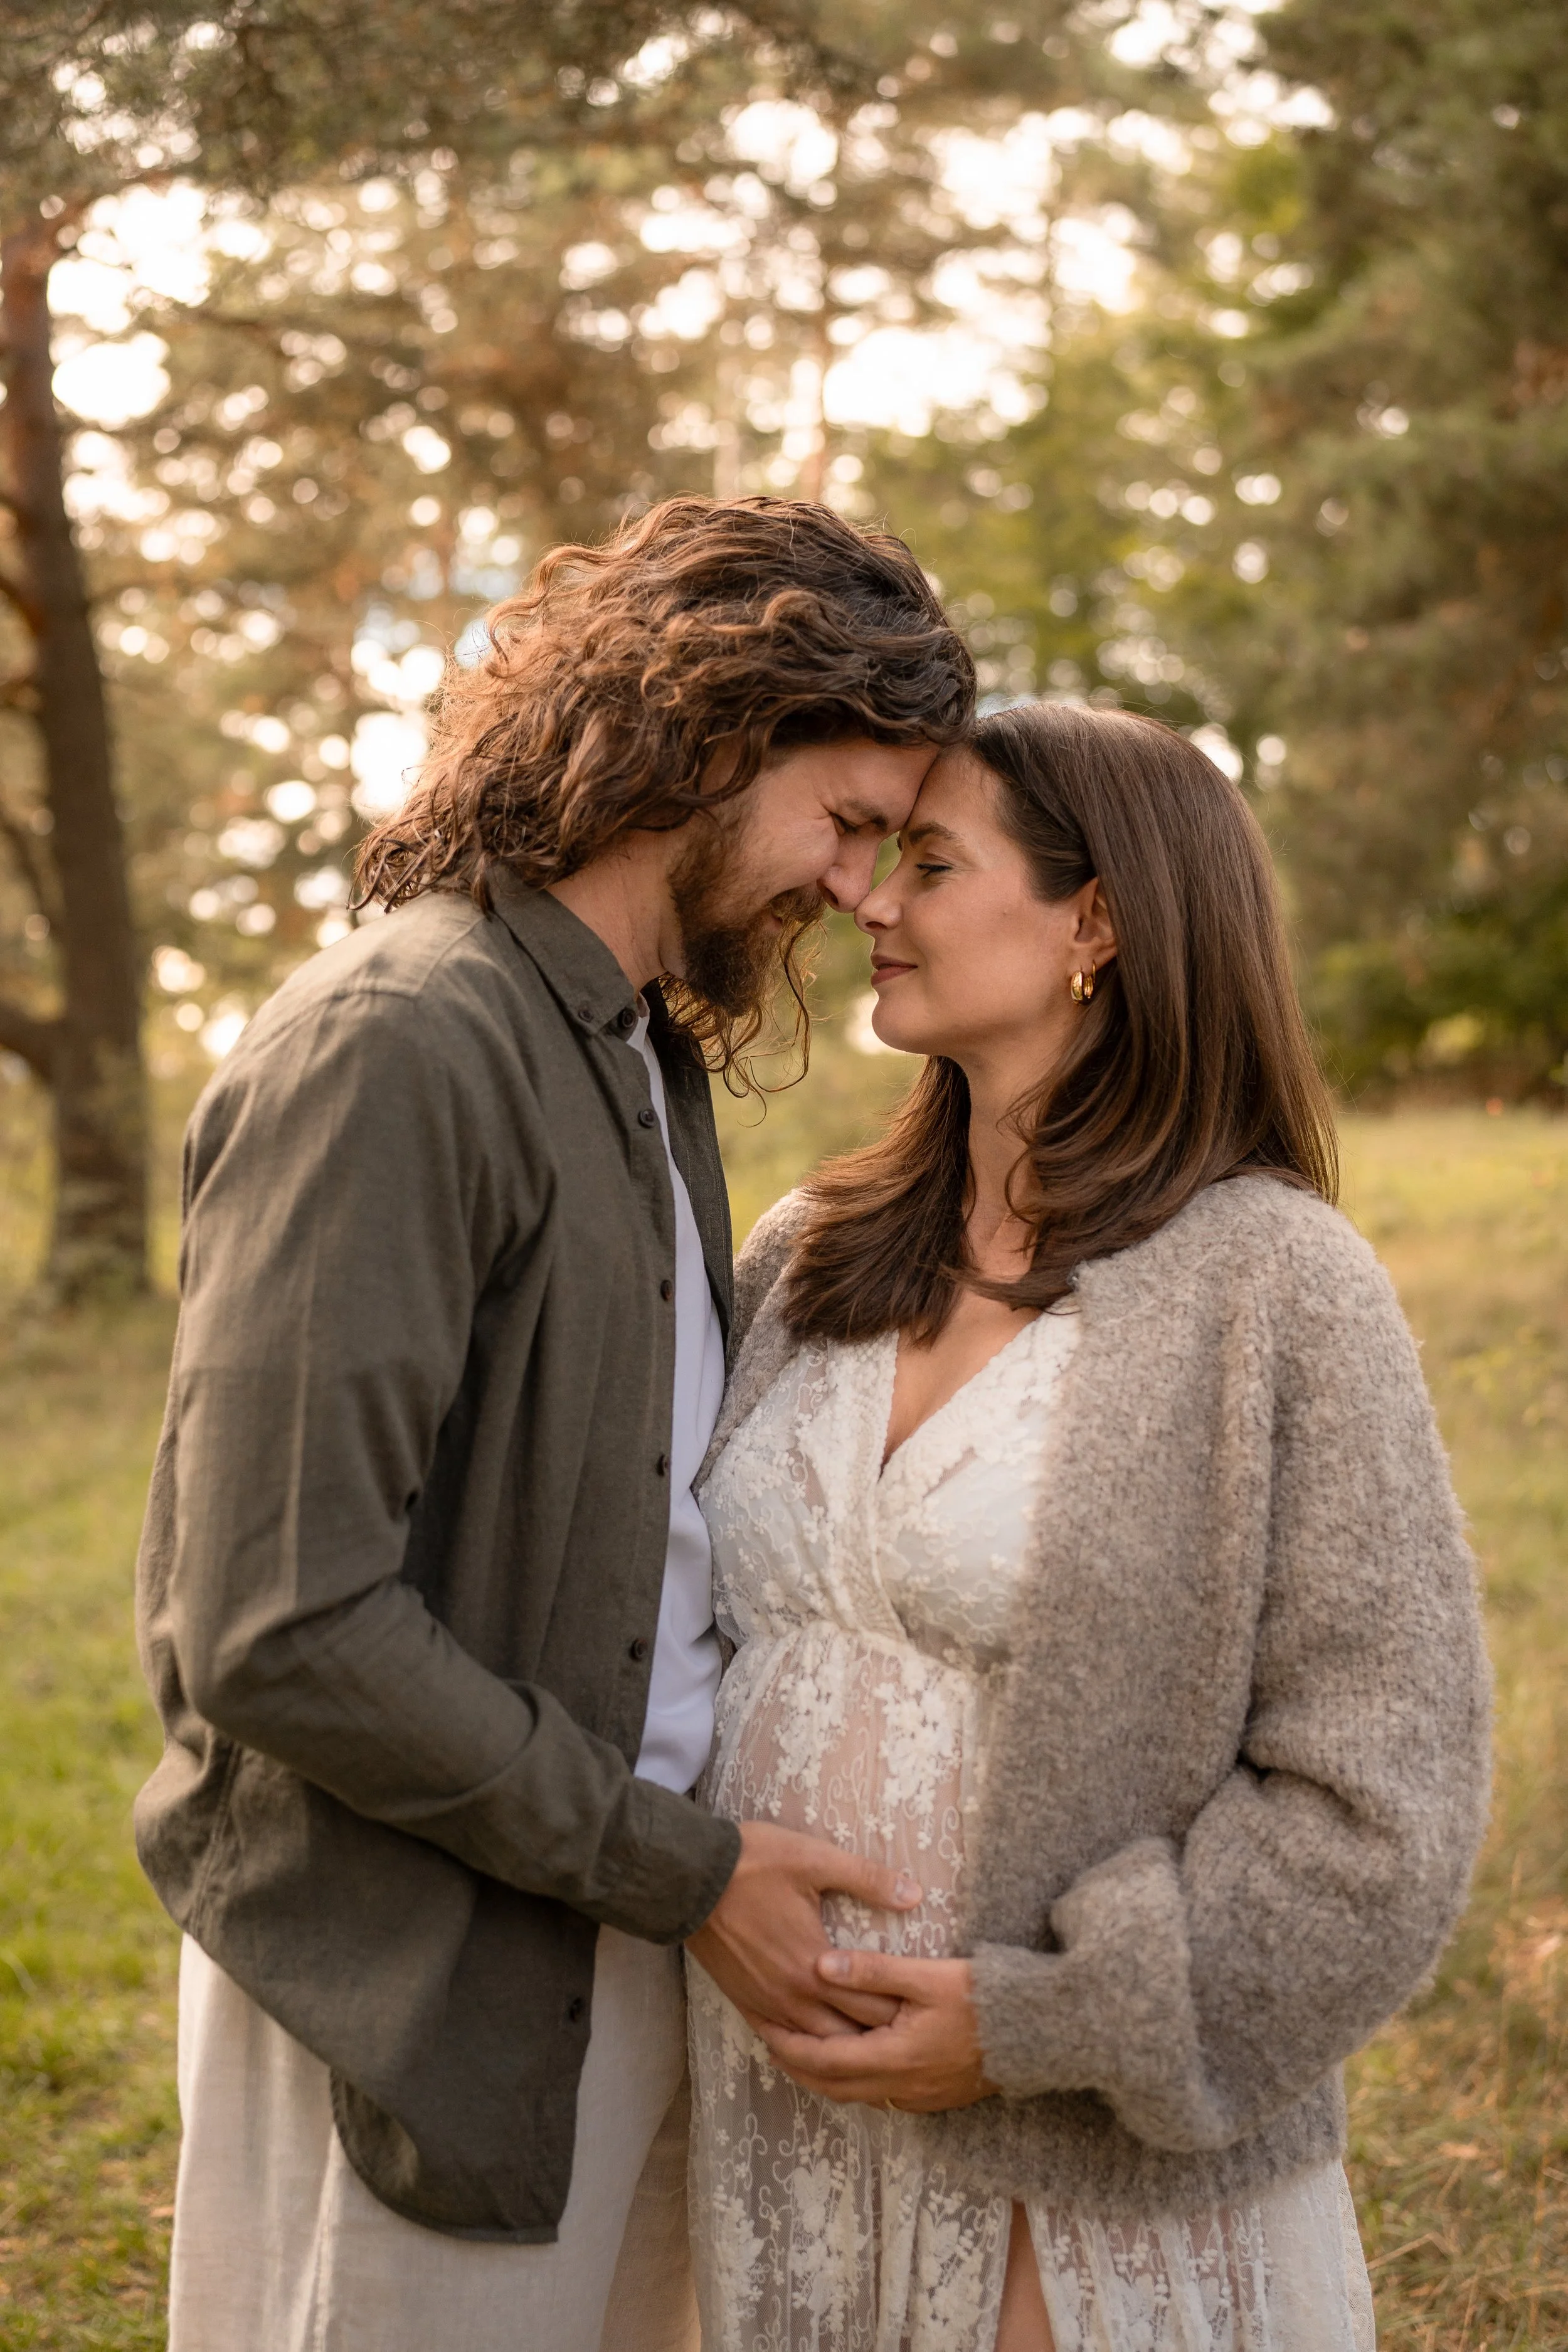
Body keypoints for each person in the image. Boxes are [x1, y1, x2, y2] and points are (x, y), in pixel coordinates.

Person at [133, 495, 975, 2352]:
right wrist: (683, 1874)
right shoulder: (400, 1043)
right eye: (843, 824)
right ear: (708, 731)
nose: (854, 891)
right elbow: (279, 1623)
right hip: (420, 1997)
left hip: (625, 1952)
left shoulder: (635, 1054)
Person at [689, 700, 1491, 2352]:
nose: (869, 900)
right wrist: (690, 1869)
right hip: (777, 2120)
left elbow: (1381, 1798)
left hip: (1087, 2161)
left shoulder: (1275, 1287)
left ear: (1096, 921)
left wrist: (1040, 2022)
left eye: (930, 860)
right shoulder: (807, 1250)